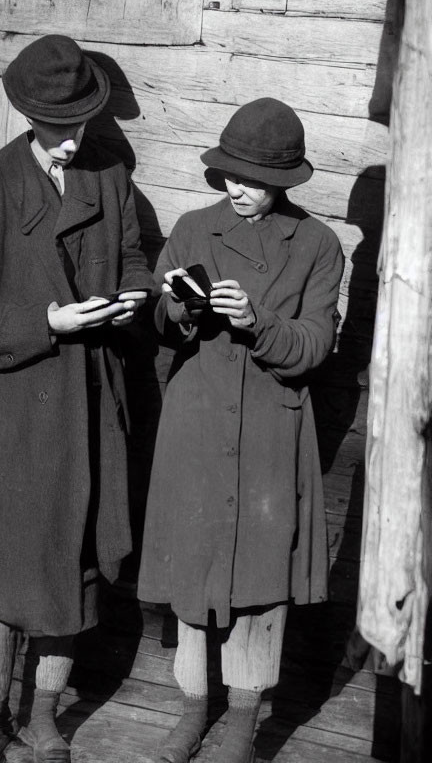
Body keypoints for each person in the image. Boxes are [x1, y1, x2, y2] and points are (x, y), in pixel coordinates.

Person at [0, 34, 153, 763]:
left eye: (83, 123)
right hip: (22, 409)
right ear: (26, 117)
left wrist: (134, 299)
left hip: (93, 403)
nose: (72, 141)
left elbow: (137, 260)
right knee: (7, 564)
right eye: (58, 129)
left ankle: (43, 714)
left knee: (75, 560)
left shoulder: (109, 176)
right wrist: (45, 323)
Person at [138, 98, 344, 763]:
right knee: (197, 573)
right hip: (198, 421)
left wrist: (256, 323)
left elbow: (314, 346)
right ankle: (192, 710)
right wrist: (178, 304)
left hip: (268, 428)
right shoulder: (195, 227)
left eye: (253, 181)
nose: (238, 189)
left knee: (258, 584)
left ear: (283, 183)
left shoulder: (316, 245)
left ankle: (241, 724)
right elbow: (160, 318)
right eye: (229, 175)